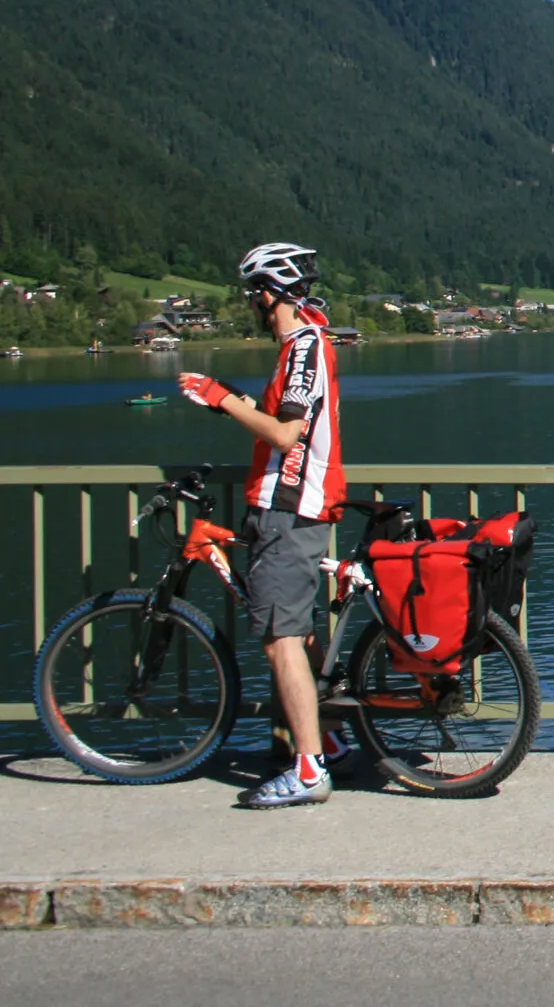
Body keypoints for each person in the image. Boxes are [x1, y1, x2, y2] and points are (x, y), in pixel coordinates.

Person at [175, 242, 355, 809]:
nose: (252, 302)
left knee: (281, 641)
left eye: (254, 291)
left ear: (269, 292)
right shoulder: (302, 347)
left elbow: (284, 436)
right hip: (291, 505)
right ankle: (325, 740)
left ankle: (308, 770)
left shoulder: (303, 347)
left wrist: (220, 397)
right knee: (293, 632)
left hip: (292, 506)